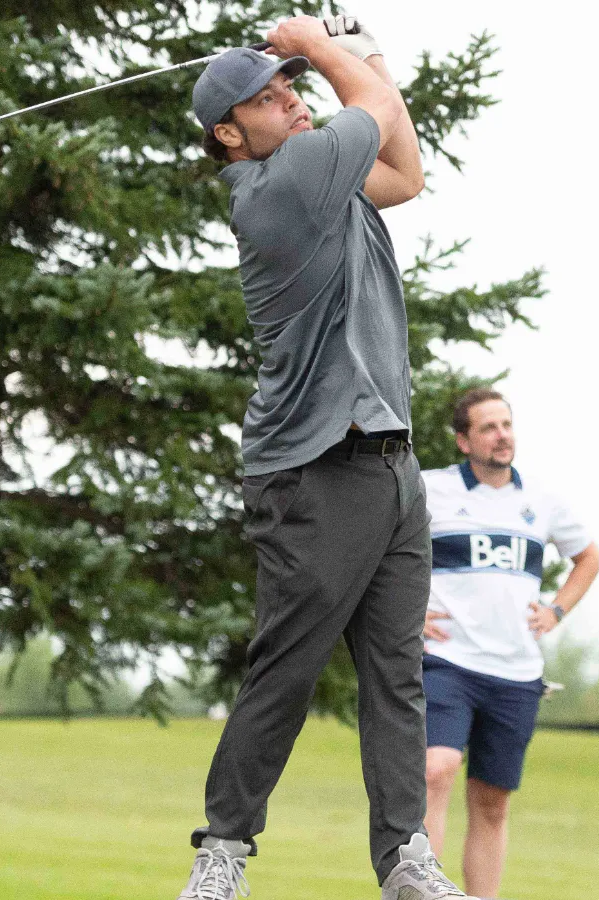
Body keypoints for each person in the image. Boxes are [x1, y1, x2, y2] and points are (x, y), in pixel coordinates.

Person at [180, 15, 475, 900]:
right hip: (313, 469)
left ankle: (405, 860)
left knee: (397, 675)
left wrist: (355, 37)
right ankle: (222, 852)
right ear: (230, 135)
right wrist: (321, 39)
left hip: (391, 465)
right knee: (289, 667)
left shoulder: (330, 183)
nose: (291, 101)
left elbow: (407, 173)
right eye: (268, 98)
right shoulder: (279, 186)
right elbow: (376, 106)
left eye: (292, 86)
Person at [420, 388, 599, 898]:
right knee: (437, 768)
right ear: (463, 440)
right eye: (488, 427)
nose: (502, 435)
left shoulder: (542, 501)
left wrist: (556, 610)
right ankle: (423, 890)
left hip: (517, 672)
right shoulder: (429, 490)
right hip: (447, 660)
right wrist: (406, 614)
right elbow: (378, 548)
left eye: (507, 424)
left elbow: (588, 557)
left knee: (492, 802)